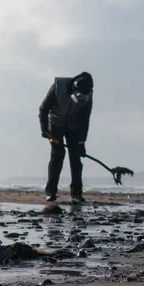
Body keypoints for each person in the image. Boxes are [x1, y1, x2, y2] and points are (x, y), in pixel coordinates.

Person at [39, 72, 94, 203]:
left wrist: (82, 143)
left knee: (76, 159)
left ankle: (76, 194)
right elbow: (43, 109)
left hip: (74, 127)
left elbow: (85, 119)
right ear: (74, 90)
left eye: (84, 96)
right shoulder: (58, 88)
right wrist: (45, 130)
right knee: (57, 156)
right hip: (55, 125)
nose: (82, 99)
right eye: (80, 96)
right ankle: (50, 192)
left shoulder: (88, 95)